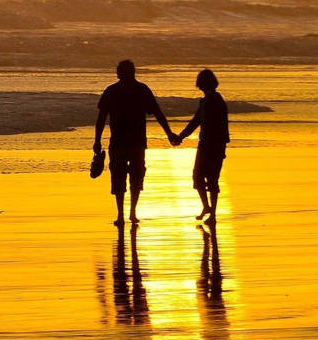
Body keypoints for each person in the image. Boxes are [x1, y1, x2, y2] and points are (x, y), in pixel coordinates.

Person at [94, 59, 177, 226]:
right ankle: (132, 213)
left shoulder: (112, 91)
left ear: (119, 73)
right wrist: (169, 133)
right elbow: (157, 112)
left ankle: (120, 215)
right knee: (136, 177)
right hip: (137, 141)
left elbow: (101, 118)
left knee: (118, 177)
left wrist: (97, 140)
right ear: (133, 72)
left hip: (118, 142)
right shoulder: (142, 90)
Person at [175, 69, 229, 225]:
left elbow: (221, 126)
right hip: (205, 144)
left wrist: (222, 148)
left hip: (214, 145)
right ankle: (207, 208)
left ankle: (212, 214)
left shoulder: (217, 101)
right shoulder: (205, 101)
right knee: (198, 176)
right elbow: (196, 121)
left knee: (211, 179)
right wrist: (181, 136)